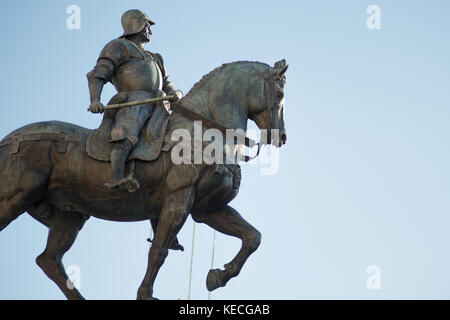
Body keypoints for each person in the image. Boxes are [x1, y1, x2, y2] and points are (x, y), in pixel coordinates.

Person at [87, 9, 182, 192]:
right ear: (135, 25)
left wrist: (177, 93)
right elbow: (98, 74)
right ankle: (117, 177)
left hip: (160, 105)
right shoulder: (118, 47)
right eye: (147, 26)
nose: (150, 31)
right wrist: (95, 99)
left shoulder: (156, 58)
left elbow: (167, 85)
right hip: (133, 103)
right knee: (127, 134)